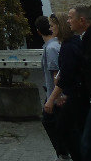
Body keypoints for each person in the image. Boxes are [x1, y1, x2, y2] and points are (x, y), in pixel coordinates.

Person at [46, 12, 84, 161]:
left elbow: (67, 75)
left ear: (59, 26)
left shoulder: (68, 47)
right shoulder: (73, 42)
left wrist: (52, 98)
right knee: (71, 128)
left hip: (74, 95)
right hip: (75, 93)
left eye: (52, 26)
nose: (51, 29)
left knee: (65, 128)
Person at [37, 15, 68, 160]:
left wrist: (54, 97)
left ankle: (63, 153)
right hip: (54, 95)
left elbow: (57, 75)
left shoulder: (51, 48)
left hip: (54, 96)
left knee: (51, 123)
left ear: (38, 31)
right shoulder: (54, 45)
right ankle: (62, 152)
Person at [69, 5, 91, 161]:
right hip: (90, 98)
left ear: (82, 20)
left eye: (71, 17)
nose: (68, 21)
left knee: (87, 144)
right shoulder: (86, 37)